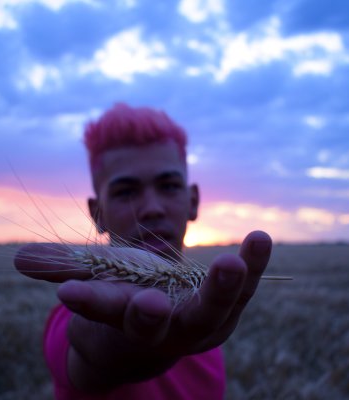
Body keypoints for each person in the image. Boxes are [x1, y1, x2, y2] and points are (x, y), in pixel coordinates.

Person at [14, 103, 273, 399]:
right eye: (126, 192)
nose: (151, 208)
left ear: (193, 201)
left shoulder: (207, 315)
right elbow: (84, 357)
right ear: (97, 214)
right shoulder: (78, 315)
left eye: (169, 186)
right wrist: (109, 351)